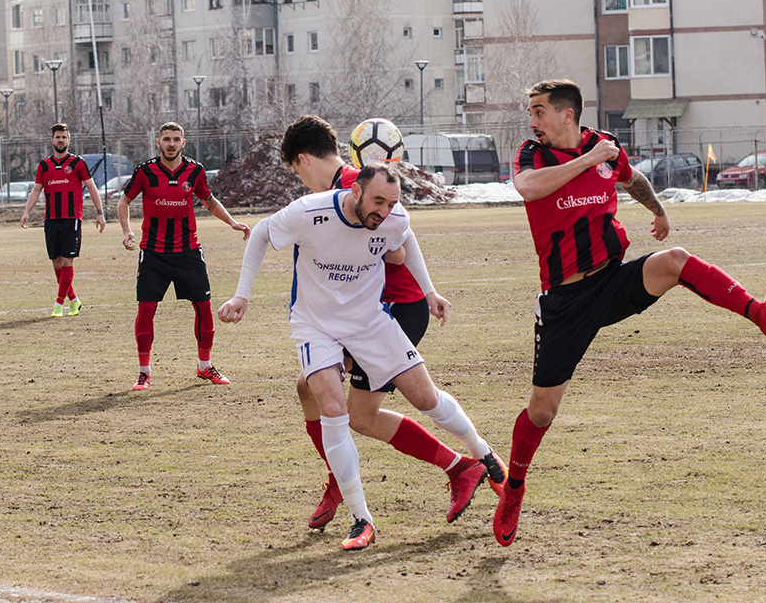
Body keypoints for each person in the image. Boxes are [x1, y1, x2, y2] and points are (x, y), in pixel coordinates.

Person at [493, 79, 766, 547]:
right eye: (530, 112)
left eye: (538, 112)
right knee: (542, 411)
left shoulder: (604, 148)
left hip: (611, 280)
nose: (531, 121)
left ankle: (761, 313)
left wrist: (656, 209)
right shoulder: (534, 155)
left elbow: (631, 178)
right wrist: (588, 161)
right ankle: (514, 487)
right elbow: (526, 189)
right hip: (566, 300)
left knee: (675, 260)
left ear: (567, 115)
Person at [218, 163, 505, 551]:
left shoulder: (392, 217)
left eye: (391, 203)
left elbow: (406, 236)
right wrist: (242, 294)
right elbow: (263, 234)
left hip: (371, 322)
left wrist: (431, 292)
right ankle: (361, 519)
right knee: (335, 407)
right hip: (315, 325)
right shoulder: (310, 210)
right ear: (356, 192)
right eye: (377, 202)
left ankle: (483, 455)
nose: (384, 211)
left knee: (425, 397)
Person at [277, 115, 504, 530]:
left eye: (296, 171)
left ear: (304, 160)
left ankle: (465, 463)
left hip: (394, 308)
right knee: (311, 388)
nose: (300, 181)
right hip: (365, 311)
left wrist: (425, 286)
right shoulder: (333, 193)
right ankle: (339, 477)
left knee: (362, 414)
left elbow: (400, 237)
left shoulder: (357, 183)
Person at [117, 122, 250, 391]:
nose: (171, 143)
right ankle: (144, 372)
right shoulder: (145, 171)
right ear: (158, 142)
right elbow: (124, 202)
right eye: (166, 139)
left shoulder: (195, 170)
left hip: (188, 251)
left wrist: (232, 222)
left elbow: (209, 200)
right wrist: (127, 231)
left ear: (183, 143)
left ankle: (205, 366)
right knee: (146, 309)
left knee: (203, 307)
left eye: (176, 139)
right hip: (153, 252)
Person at [20, 123, 106, 317]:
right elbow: (36, 190)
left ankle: (59, 304)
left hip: (71, 218)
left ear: (69, 140)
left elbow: (91, 188)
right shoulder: (44, 165)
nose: (61, 140)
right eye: (57, 137)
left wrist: (100, 213)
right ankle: (74, 300)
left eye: (64, 137)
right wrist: (26, 211)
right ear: (52, 140)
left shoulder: (78, 163)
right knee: (56, 263)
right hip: (51, 220)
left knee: (67, 261)